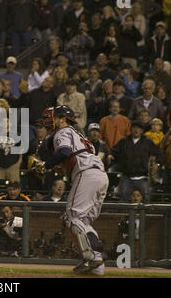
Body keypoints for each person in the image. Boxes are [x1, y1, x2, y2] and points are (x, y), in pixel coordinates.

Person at [40, 105, 108, 275]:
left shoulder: (62, 132)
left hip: (86, 174)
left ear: (62, 119)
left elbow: (64, 151)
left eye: (54, 117)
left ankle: (92, 256)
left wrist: (46, 165)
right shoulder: (80, 136)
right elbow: (73, 156)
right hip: (100, 175)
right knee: (83, 221)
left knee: (72, 217)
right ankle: (97, 266)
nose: (50, 120)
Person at [107, 120, 163, 203]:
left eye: (138, 128)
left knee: (145, 201)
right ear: (131, 129)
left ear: (142, 131)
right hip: (126, 177)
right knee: (124, 200)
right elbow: (114, 151)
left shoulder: (147, 141)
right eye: (134, 128)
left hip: (143, 177)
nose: (136, 130)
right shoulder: (124, 141)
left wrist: (157, 164)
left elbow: (159, 153)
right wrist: (110, 155)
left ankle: (143, 216)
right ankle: (125, 216)